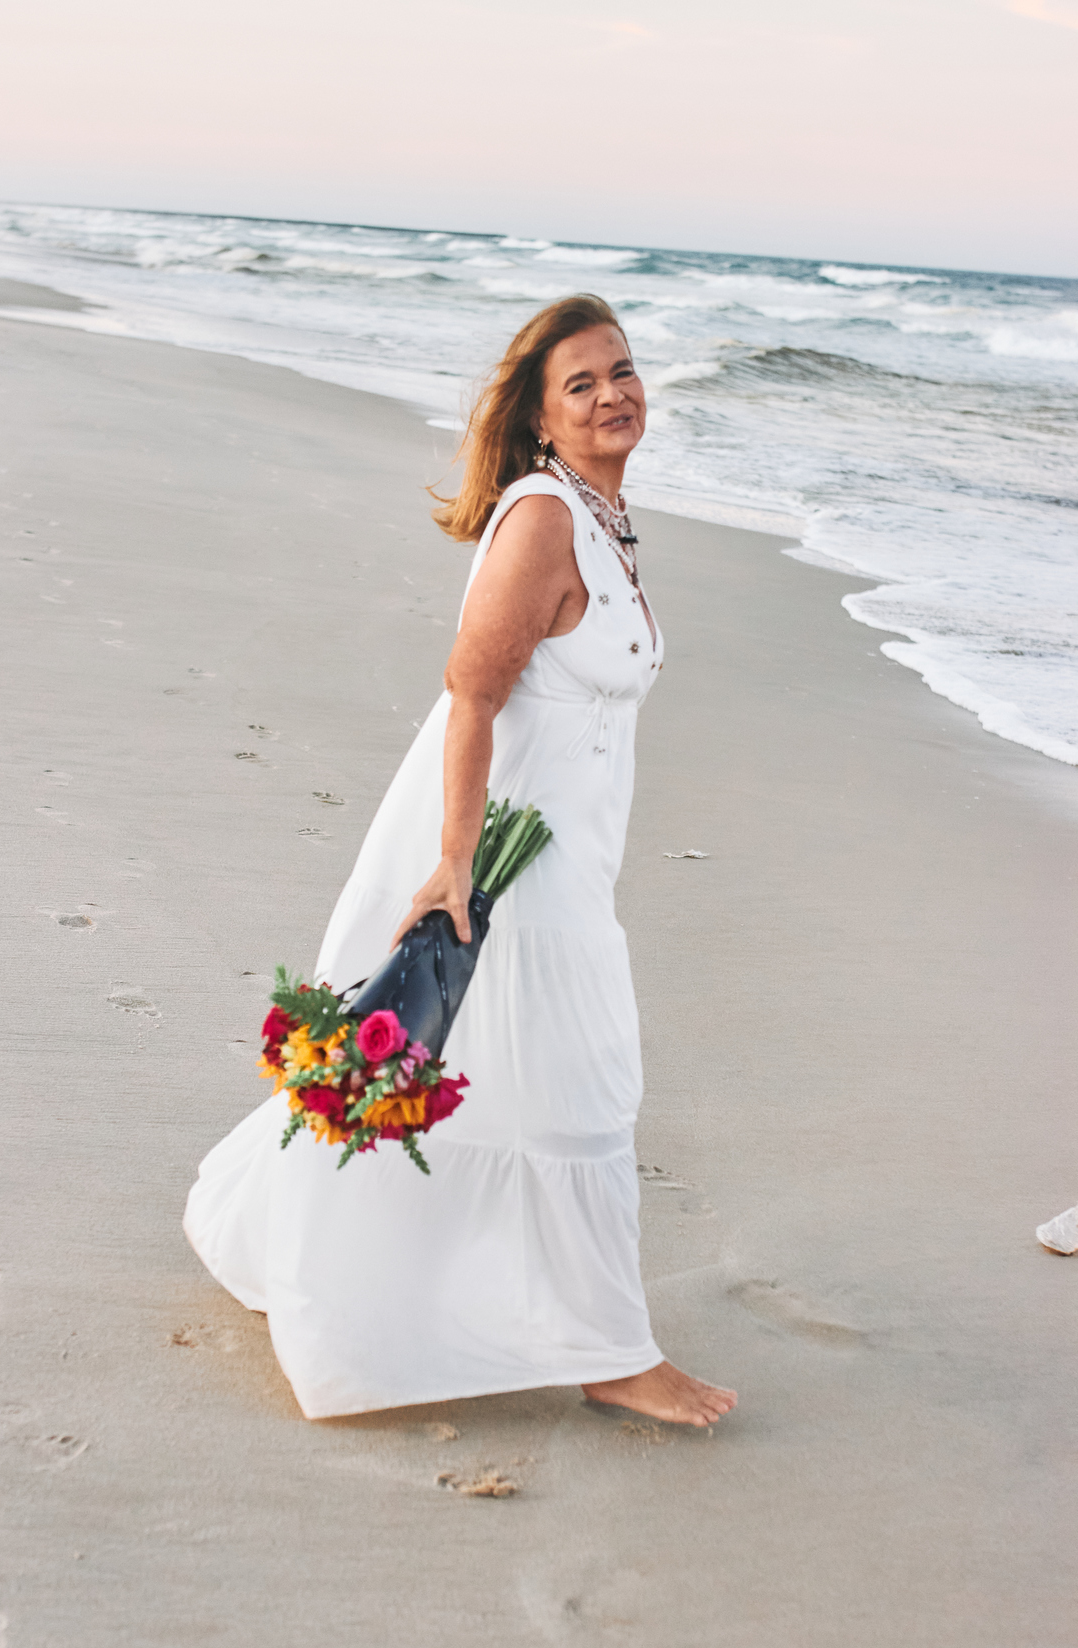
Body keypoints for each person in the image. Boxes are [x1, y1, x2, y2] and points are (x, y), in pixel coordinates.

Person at [184, 294, 738, 1427]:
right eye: (580, 383)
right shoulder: (544, 516)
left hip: (567, 850)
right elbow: (470, 693)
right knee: (584, 1077)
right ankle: (612, 1354)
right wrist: (454, 863)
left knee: (510, 1069)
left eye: (622, 370)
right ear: (541, 417)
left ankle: (282, 1235)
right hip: (503, 853)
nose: (613, 394)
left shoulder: (604, 516)